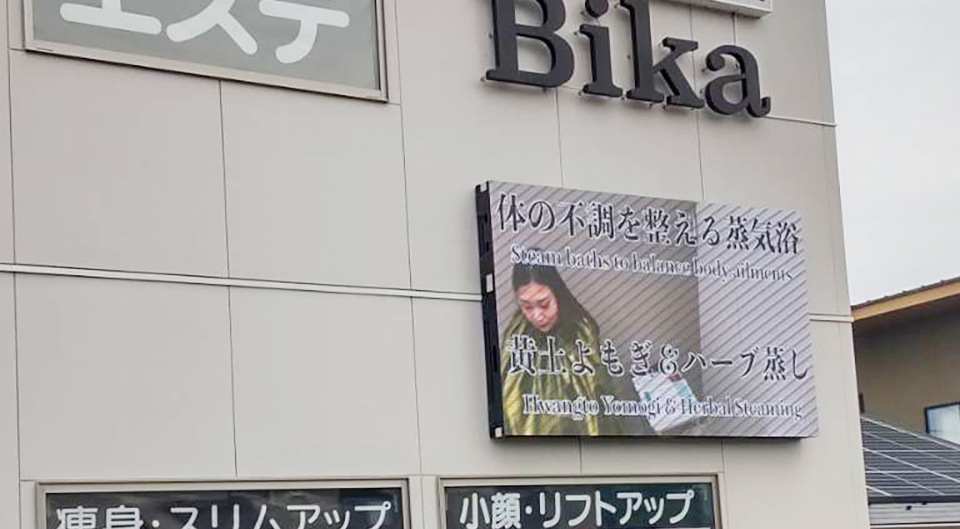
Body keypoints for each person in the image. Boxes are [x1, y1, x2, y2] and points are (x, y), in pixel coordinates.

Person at [500, 262, 624, 436]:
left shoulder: (580, 333)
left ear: (557, 294)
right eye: (526, 306)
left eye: (544, 304)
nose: (537, 316)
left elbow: (597, 403)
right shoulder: (516, 333)